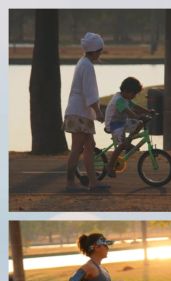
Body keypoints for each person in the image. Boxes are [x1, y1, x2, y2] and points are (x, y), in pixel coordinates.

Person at [64, 33, 109, 192]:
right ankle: (70, 183)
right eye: (100, 51)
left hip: (79, 112)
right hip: (80, 113)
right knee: (77, 148)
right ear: (94, 51)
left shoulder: (82, 62)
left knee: (89, 146)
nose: (101, 54)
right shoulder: (87, 66)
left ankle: (93, 183)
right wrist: (98, 112)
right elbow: (90, 93)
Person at [104, 77, 152, 177]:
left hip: (122, 122)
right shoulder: (119, 100)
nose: (134, 96)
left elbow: (135, 107)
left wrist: (148, 111)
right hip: (113, 124)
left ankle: (127, 143)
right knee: (121, 145)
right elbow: (130, 113)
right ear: (126, 91)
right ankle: (109, 166)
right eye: (133, 93)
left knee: (139, 123)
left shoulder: (126, 98)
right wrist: (140, 116)